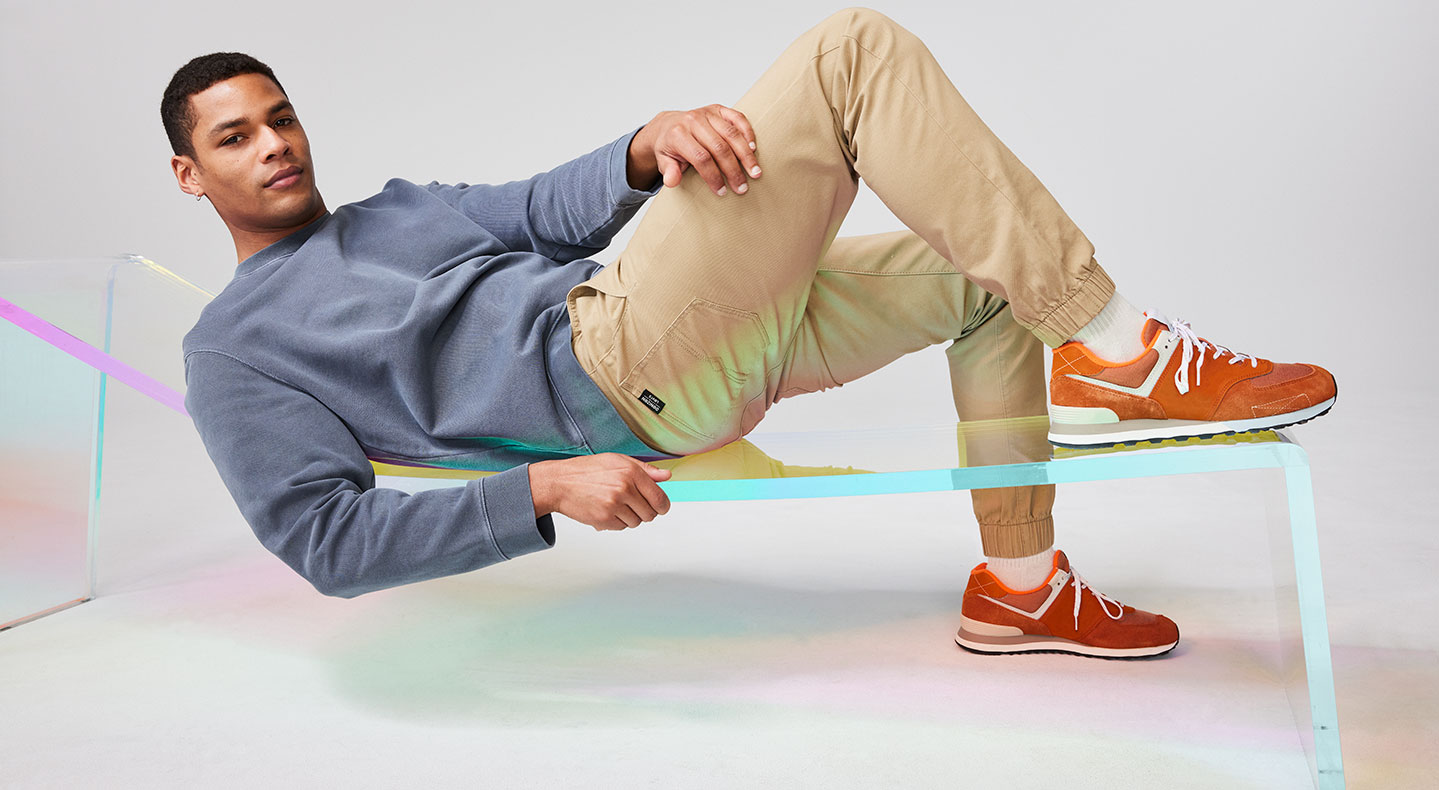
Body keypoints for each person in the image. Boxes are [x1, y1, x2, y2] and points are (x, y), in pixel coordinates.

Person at [166, 7, 1335, 659]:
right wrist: (539, 492)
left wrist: (646, 142)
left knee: (985, 285)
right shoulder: (231, 348)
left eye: (279, 118)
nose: (273, 145)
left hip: (667, 328)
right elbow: (323, 538)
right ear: (189, 173)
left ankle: (1021, 585)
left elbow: (534, 208)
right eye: (234, 138)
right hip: (614, 368)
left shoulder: (394, 212)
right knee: (851, 51)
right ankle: (1120, 349)